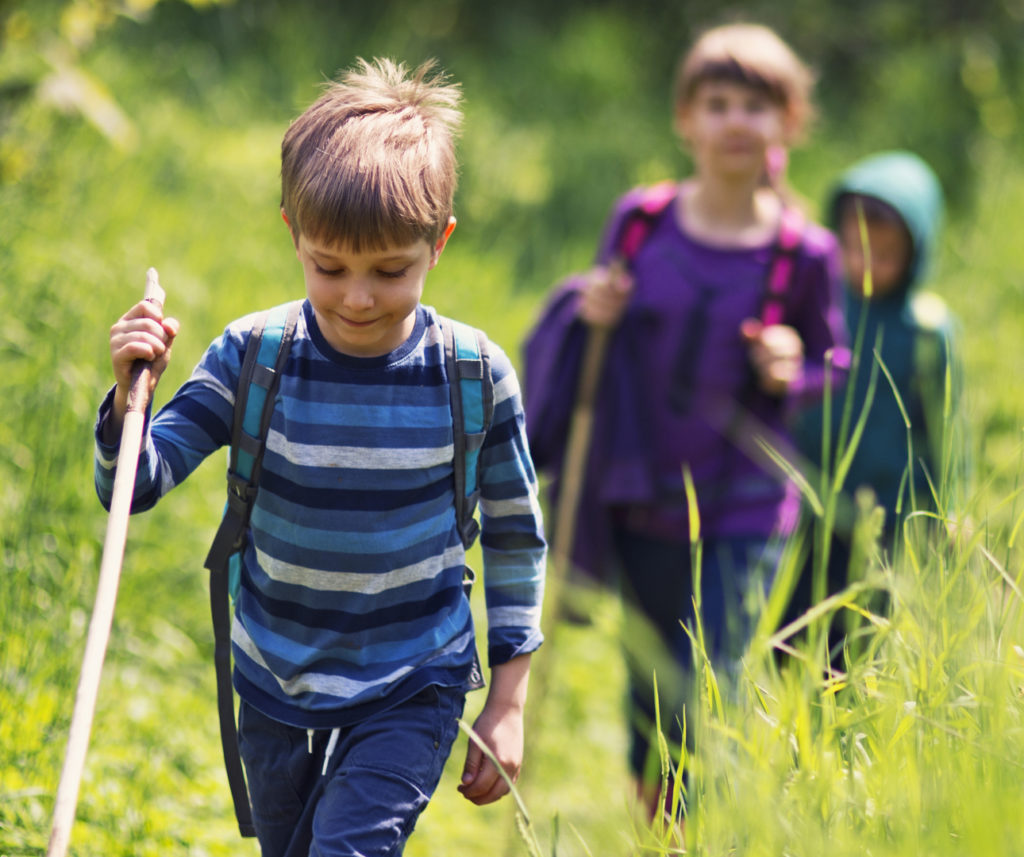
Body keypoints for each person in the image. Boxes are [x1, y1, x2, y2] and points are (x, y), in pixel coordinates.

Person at [94, 58, 546, 857]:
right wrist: (131, 401)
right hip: (276, 672)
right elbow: (137, 485)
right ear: (293, 235)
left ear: (438, 243)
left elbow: (515, 538)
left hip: (415, 674)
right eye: (329, 267)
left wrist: (507, 697)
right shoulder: (254, 356)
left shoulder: (473, 375)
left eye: (390, 270)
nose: (358, 298)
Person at [522, 23, 847, 810]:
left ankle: (706, 823)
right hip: (642, 493)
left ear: (788, 123)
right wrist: (592, 311)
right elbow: (592, 328)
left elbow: (833, 366)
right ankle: (661, 825)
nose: (738, 120)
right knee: (651, 688)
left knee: (713, 677)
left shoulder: (804, 251)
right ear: (687, 120)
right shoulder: (642, 221)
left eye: (758, 105)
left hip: (744, 503)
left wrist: (790, 366)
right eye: (719, 103)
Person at [788, 150, 961, 662]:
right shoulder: (817, 303)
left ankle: (843, 726)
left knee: (860, 641)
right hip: (804, 500)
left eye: (886, 255)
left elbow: (947, 428)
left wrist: (946, 509)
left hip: (884, 516)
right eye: (854, 249)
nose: (866, 265)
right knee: (789, 632)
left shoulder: (926, 331)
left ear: (916, 255)